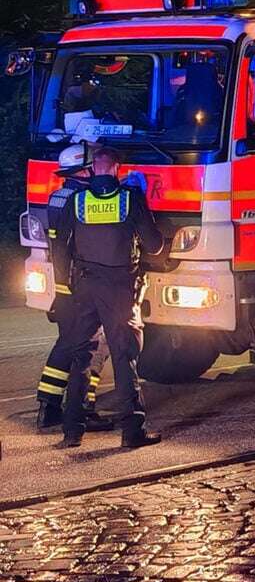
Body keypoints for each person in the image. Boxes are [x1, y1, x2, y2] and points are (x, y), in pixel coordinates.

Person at [51, 146, 164, 449]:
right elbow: (153, 246)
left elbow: (60, 246)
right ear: (117, 168)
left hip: (85, 286)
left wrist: (64, 284)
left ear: (92, 170)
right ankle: (132, 433)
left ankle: (72, 431)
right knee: (123, 356)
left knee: (82, 357)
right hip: (119, 287)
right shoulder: (130, 199)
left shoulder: (78, 201)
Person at [35, 144, 114, 432]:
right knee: (95, 346)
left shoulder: (57, 196)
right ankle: (83, 409)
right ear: (83, 170)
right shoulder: (83, 198)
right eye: (93, 166)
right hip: (81, 283)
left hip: (63, 284)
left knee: (67, 342)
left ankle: (49, 405)